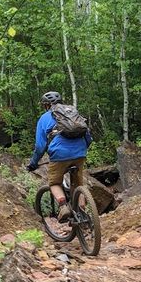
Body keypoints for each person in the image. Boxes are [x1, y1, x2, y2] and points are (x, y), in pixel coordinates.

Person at [26, 91, 91, 221]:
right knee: (78, 184)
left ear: (46, 105)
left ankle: (63, 206)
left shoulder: (44, 118)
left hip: (59, 154)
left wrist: (33, 163)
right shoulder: (72, 112)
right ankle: (82, 211)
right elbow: (88, 137)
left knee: (54, 183)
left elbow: (40, 146)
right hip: (80, 152)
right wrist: (81, 150)